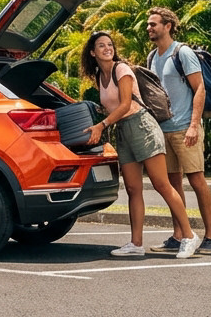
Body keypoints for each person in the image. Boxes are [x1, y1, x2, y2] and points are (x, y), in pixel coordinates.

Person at [81, 31, 199, 259]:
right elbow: (111, 106)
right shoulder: (99, 76)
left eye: (110, 44)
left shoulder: (121, 70)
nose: (108, 48)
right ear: (92, 52)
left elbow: (125, 105)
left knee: (161, 184)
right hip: (123, 131)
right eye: (101, 46)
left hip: (141, 125)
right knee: (133, 189)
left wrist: (102, 126)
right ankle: (136, 243)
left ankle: (188, 235)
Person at [146, 7, 211, 256]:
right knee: (172, 183)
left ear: (168, 26)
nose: (149, 28)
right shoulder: (152, 57)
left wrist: (193, 125)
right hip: (163, 129)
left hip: (185, 128)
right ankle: (179, 234)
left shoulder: (183, 52)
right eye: (148, 24)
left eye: (153, 24)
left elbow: (200, 89)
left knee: (196, 180)